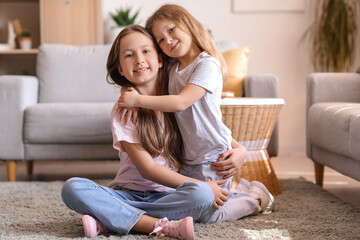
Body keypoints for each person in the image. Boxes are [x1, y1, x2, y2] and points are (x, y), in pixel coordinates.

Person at [62, 24, 240, 240]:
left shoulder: (175, 101)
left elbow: (207, 131)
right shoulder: (124, 110)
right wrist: (202, 184)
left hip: (169, 195)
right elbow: (147, 169)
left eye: (146, 51)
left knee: (202, 195)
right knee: (72, 188)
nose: (139, 60)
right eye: (129, 55)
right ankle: (159, 225)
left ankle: (111, 220)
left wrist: (240, 150)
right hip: (127, 195)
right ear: (120, 69)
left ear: (160, 59)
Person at [118, 4, 274, 224]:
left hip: (212, 155)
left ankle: (254, 198)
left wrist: (137, 100)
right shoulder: (172, 69)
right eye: (160, 40)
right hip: (186, 157)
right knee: (191, 202)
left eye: (171, 30)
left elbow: (182, 103)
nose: (168, 40)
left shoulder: (206, 65)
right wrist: (129, 94)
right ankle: (238, 192)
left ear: (188, 25)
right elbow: (146, 76)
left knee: (208, 215)